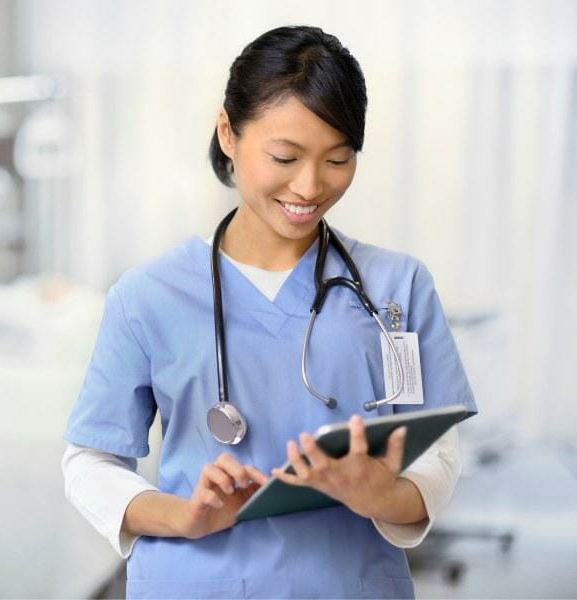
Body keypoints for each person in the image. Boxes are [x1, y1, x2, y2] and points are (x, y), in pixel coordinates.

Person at [62, 25, 477, 599]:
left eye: (338, 159)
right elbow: (89, 461)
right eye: (285, 156)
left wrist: (379, 494)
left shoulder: (396, 286)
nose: (309, 186)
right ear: (228, 132)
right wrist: (183, 515)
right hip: (195, 581)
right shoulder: (148, 296)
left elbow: (438, 450)